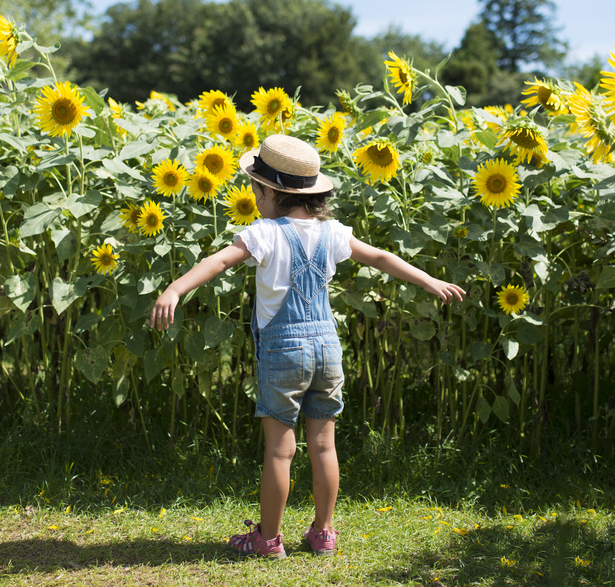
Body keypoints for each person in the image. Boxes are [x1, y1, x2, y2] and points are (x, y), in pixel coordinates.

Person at [150, 134, 465, 558]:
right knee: (323, 446)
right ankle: (324, 532)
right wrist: (429, 280)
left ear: (271, 193)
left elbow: (219, 261)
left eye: (256, 189)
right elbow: (380, 258)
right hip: (327, 350)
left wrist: (173, 289)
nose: (253, 196)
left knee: (281, 451)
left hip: (285, 353)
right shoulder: (332, 232)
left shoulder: (263, 233)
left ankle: (267, 539)